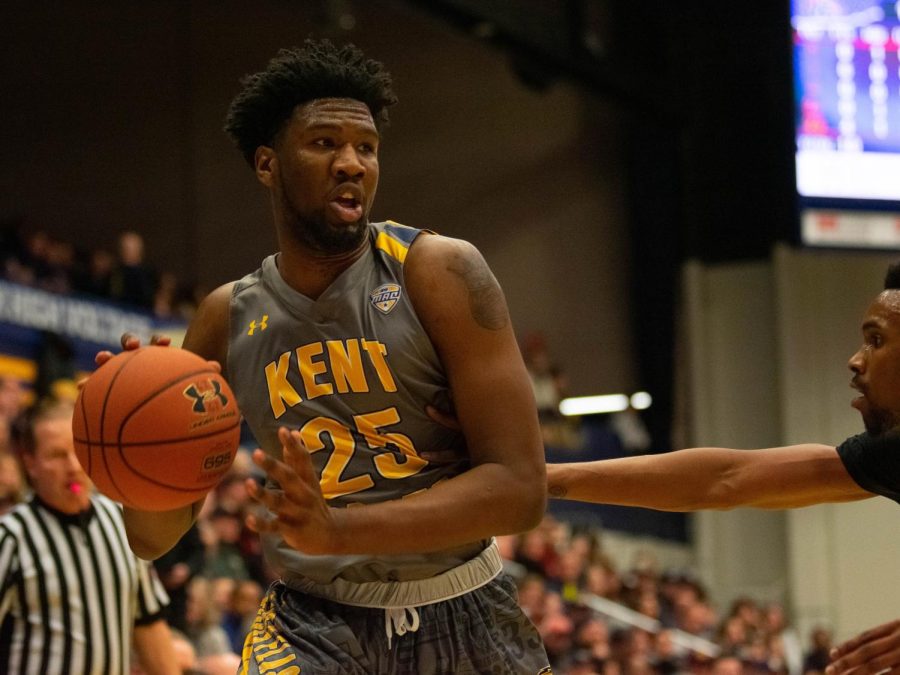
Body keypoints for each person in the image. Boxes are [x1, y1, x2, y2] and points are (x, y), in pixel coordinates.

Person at [105, 39, 549, 674]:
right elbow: (152, 539)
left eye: (365, 148)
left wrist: (341, 531)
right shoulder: (225, 317)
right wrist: (137, 438)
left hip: (462, 605)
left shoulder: (439, 271)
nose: (352, 164)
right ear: (267, 164)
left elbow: (520, 490)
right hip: (312, 621)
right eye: (324, 144)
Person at [543, 260, 900, 675]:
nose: (856, 361)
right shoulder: (888, 453)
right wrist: (547, 479)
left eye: (877, 340)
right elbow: (726, 479)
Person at [0, 400, 177, 674]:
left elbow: (149, 625)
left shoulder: (121, 520)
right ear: (31, 464)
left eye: (78, 451)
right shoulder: (11, 536)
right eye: (57, 455)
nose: (73, 466)